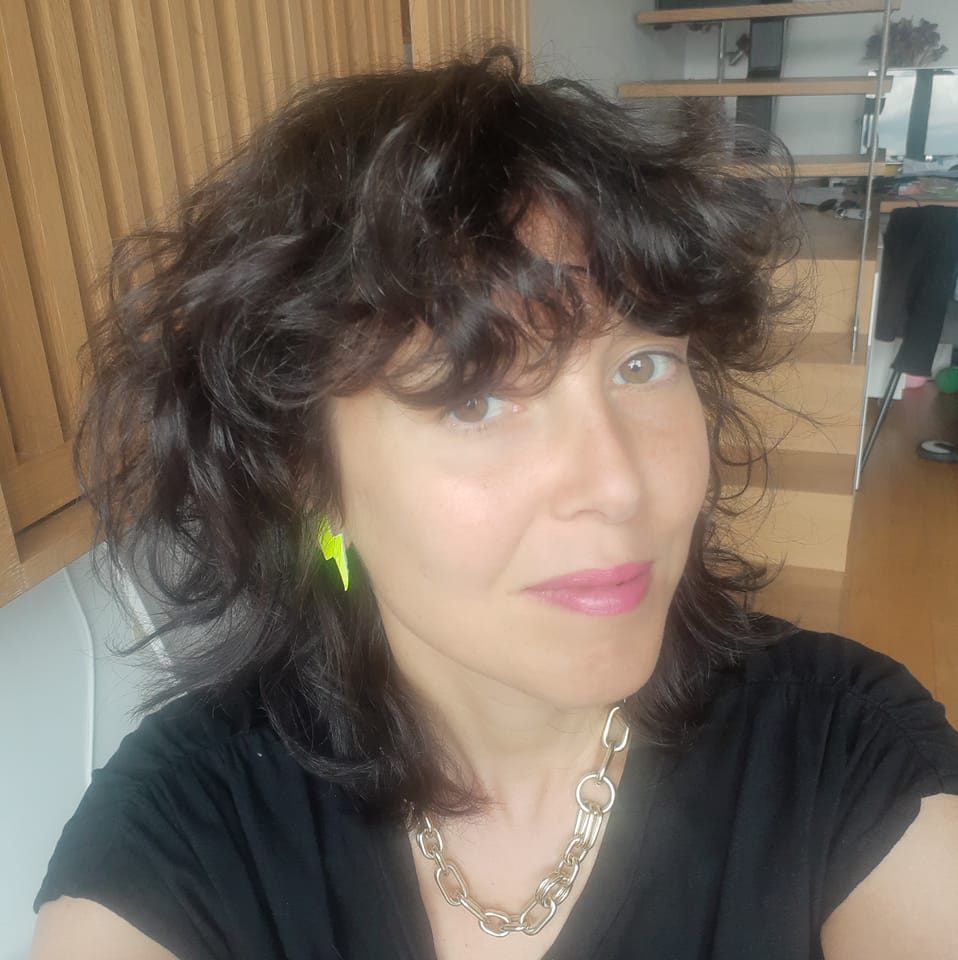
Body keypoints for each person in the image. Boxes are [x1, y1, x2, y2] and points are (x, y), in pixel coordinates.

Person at [29, 46, 958, 960]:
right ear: (309, 480)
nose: (619, 484)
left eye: (644, 364)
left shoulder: (843, 754)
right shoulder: (186, 832)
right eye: (474, 400)